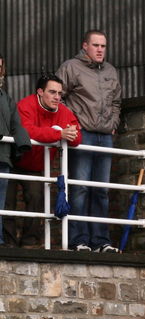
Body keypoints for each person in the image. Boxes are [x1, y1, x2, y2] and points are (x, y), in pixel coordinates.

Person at [57, 29, 122, 252]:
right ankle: (79, 240)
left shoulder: (111, 71)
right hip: (82, 134)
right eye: (96, 45)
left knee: (101, 190)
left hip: (105, 135)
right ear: (85, 46)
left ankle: (101, 241)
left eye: (103, 46)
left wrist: (113, 123)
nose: (100, 49)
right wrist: (73, 122)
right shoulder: (70, 67)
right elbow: (58, 96)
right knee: (81, 187)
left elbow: (117, 102)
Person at [8, 75, 81, 248]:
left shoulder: (63, 111)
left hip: (36, 167)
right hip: (13, 161)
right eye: (52, 92)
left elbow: (77, 138)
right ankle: (7, 245)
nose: (57, 97)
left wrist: (69, 134)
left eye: (59, 93)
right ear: (40, 92)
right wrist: (58, 134)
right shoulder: (26, 105)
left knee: (36, 199)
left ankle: (29, 243)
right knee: (7, 203)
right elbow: (27, 131)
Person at [0, 52, 31, 246]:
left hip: (2, 156)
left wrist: (22, 142)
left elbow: (15, 124)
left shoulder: (6, 97)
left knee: (0, 204)